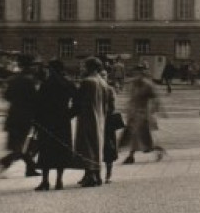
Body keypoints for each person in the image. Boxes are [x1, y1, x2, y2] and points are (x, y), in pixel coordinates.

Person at [32, 60, 79, 190]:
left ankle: (45, 181)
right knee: (61, 150)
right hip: (63, 121)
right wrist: (69, 114)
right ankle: (59, 180)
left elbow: (37, 105)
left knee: (45, 151)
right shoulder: (68, 84)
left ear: (52, 69)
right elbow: (78, 103)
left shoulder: (45, 84)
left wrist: (36, 122)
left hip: (46, 121)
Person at [73, 57, 116, 187]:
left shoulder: (87, 82)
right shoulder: (103, 83)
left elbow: (78, 101)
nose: (83, 68)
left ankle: (90, 175)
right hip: (100, 118)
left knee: (87, 146)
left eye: (85, 66)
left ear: (90, 67)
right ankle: (97, 175)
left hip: (87, 118)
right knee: (97, 145)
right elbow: (109, 106)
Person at [0, 62, 39, 176]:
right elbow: (35, 100)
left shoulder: (13, 80)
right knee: (22, 145)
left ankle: (30, 168)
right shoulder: (29, 81)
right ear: (29, 67)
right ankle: (4, 162)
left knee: (20, 144)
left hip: (13, 115)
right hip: (25, 117)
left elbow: (7, 96)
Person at [123, 66, 167, 163]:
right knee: (135, 135)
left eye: (137, 74)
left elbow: (156, 99)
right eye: (134, 74)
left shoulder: (148, 85)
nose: (135, 76)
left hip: (144, 114)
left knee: (144, 137)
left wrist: (153, 112)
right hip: (134, 113)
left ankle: (157, 149)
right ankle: (131, 156)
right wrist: (129, 111)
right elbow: (132, 99)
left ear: (142, 74)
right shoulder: (133, 84)